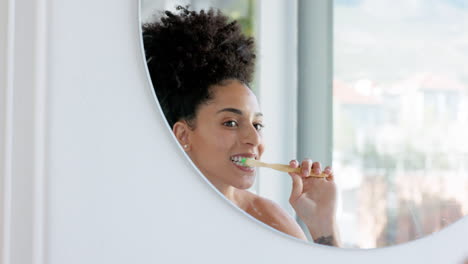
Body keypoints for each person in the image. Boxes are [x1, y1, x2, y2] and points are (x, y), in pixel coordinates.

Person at [142, 5, 340, 247]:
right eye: (231, 123)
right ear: (183, 134)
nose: (254, 140)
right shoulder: (152, 222)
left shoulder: (270, 219)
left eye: (257, 124)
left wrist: (323, 225)